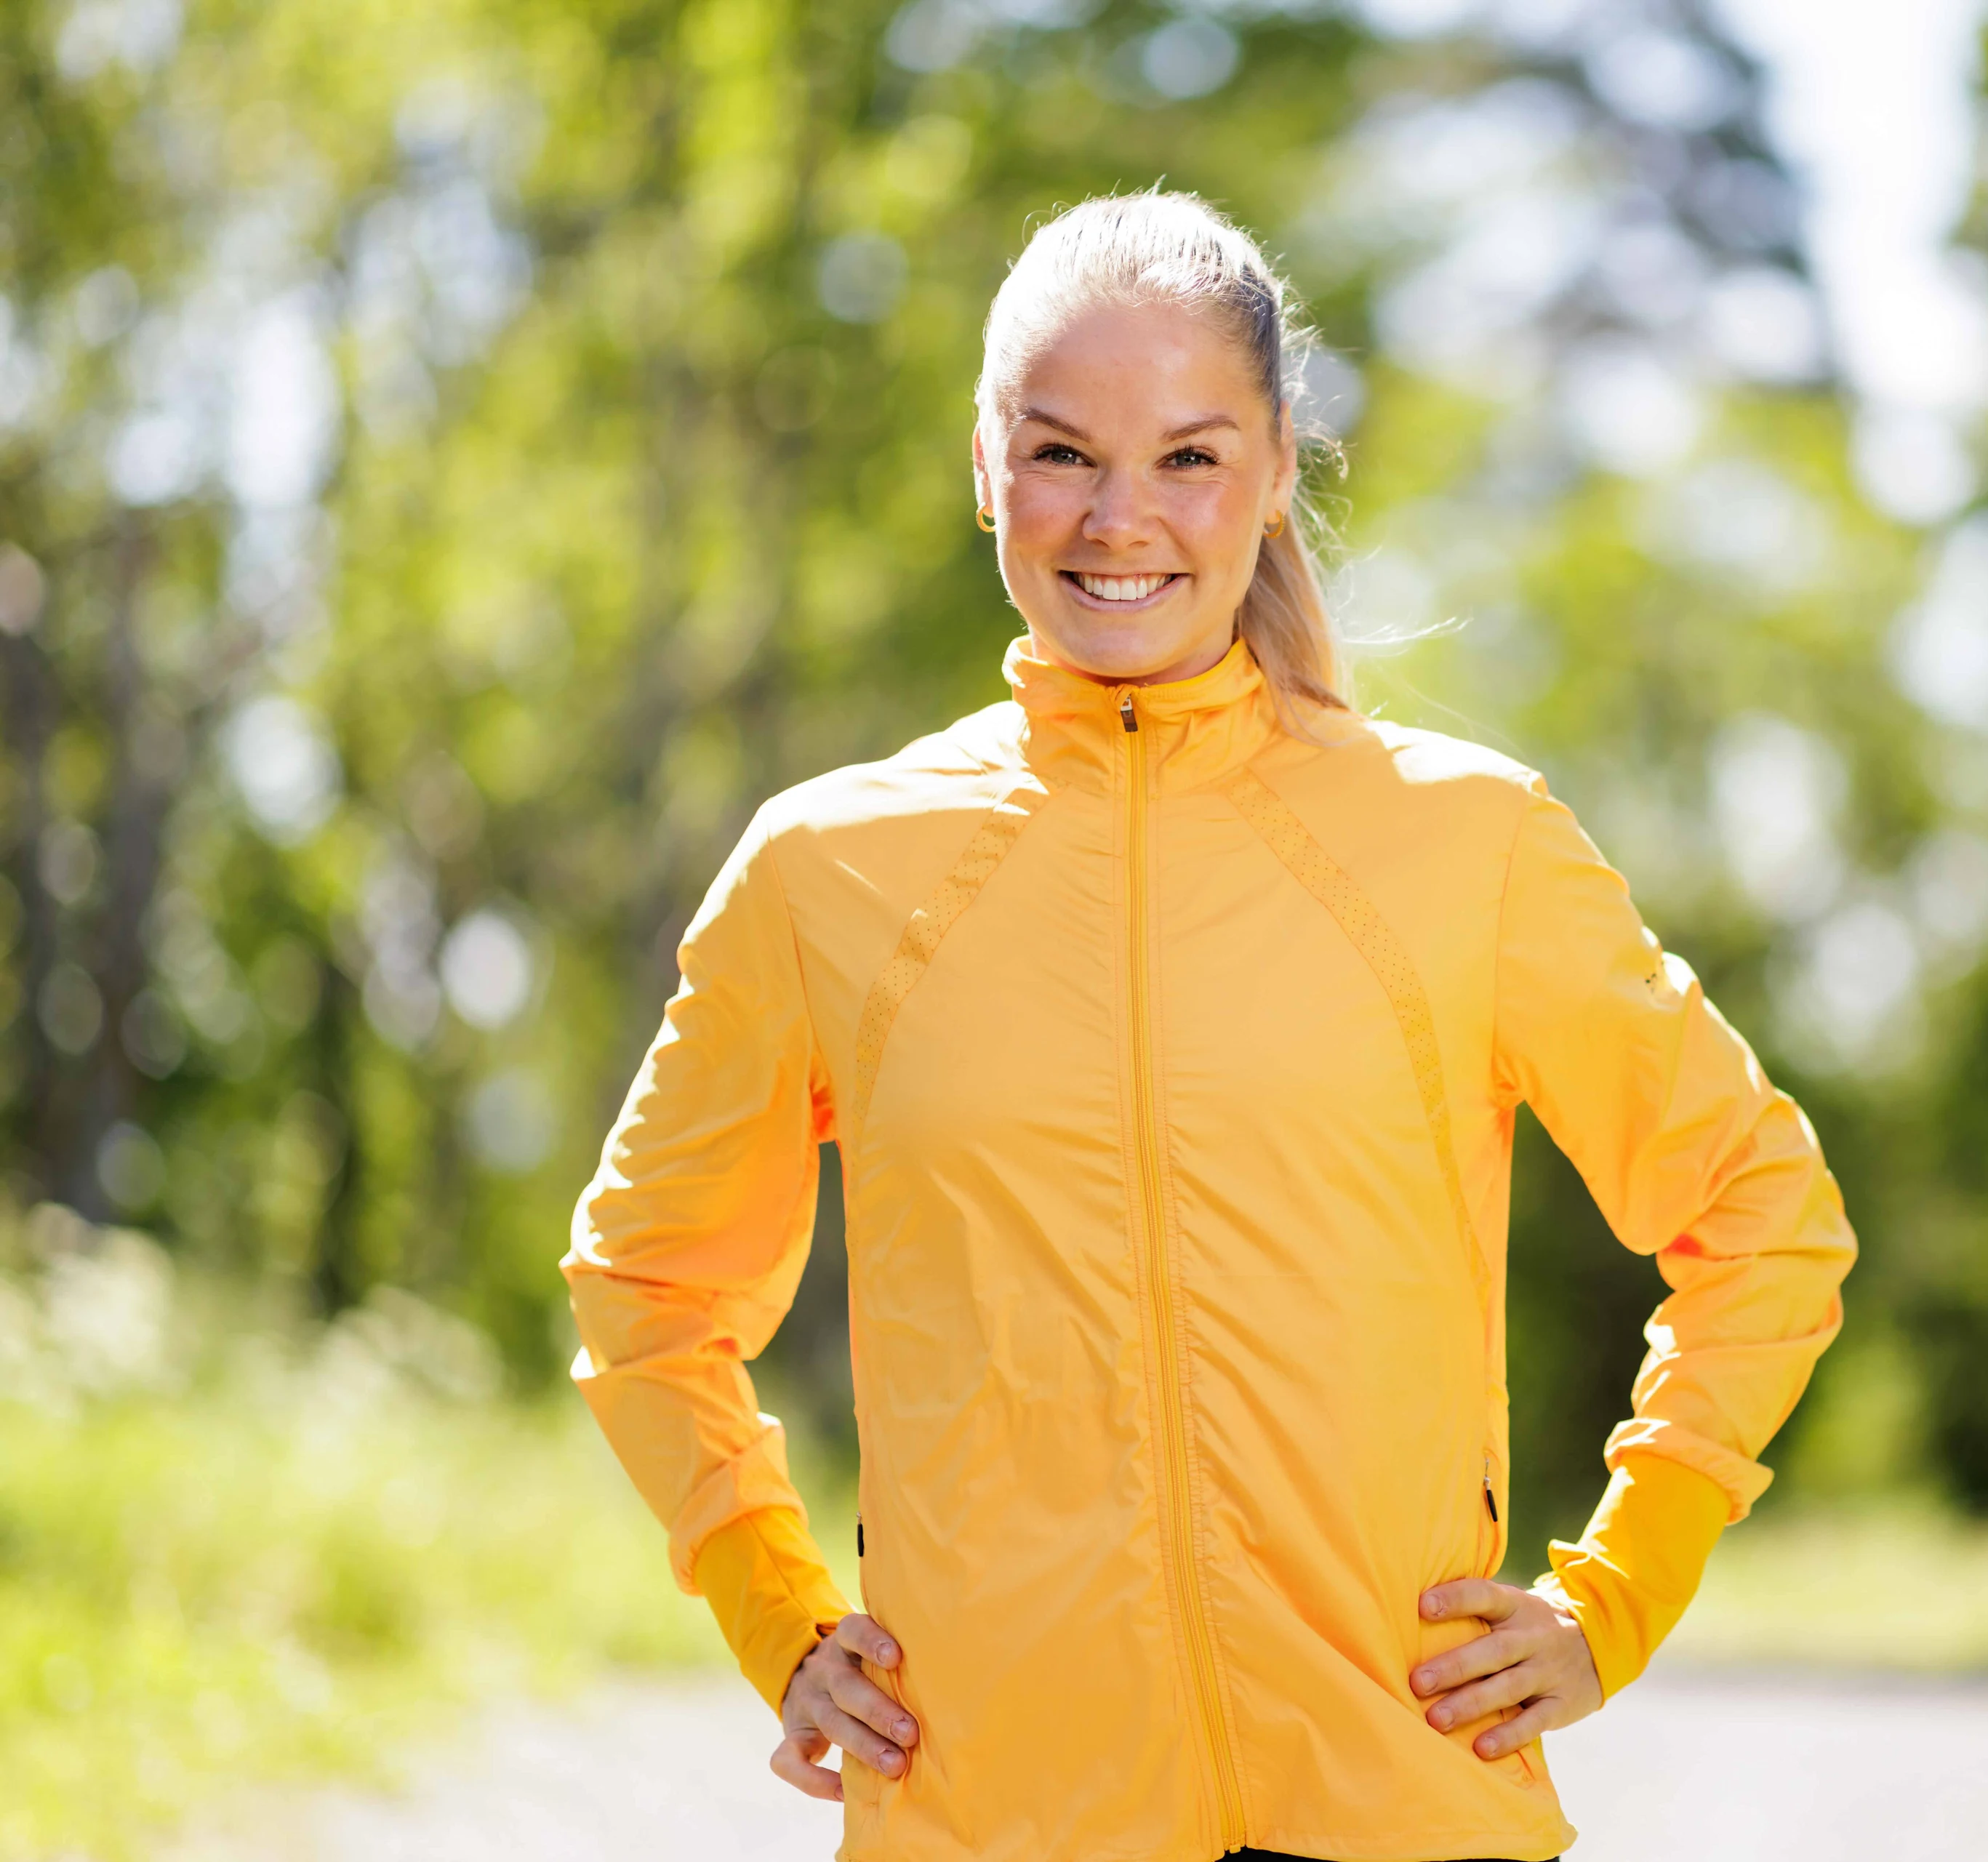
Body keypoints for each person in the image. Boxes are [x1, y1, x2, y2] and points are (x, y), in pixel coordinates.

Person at [562, 190, 1855, 1862]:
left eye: (1187, 456)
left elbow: (1766, 1219)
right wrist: (779, 1616)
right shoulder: (826, 871)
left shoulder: (1471, 845)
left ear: (1274, 468)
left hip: (1400, 1804)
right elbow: (648, 1285)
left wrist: (1614, 1592)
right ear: (984, 466)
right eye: (1059, 452)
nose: (1119, 518)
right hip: (996, 1812)